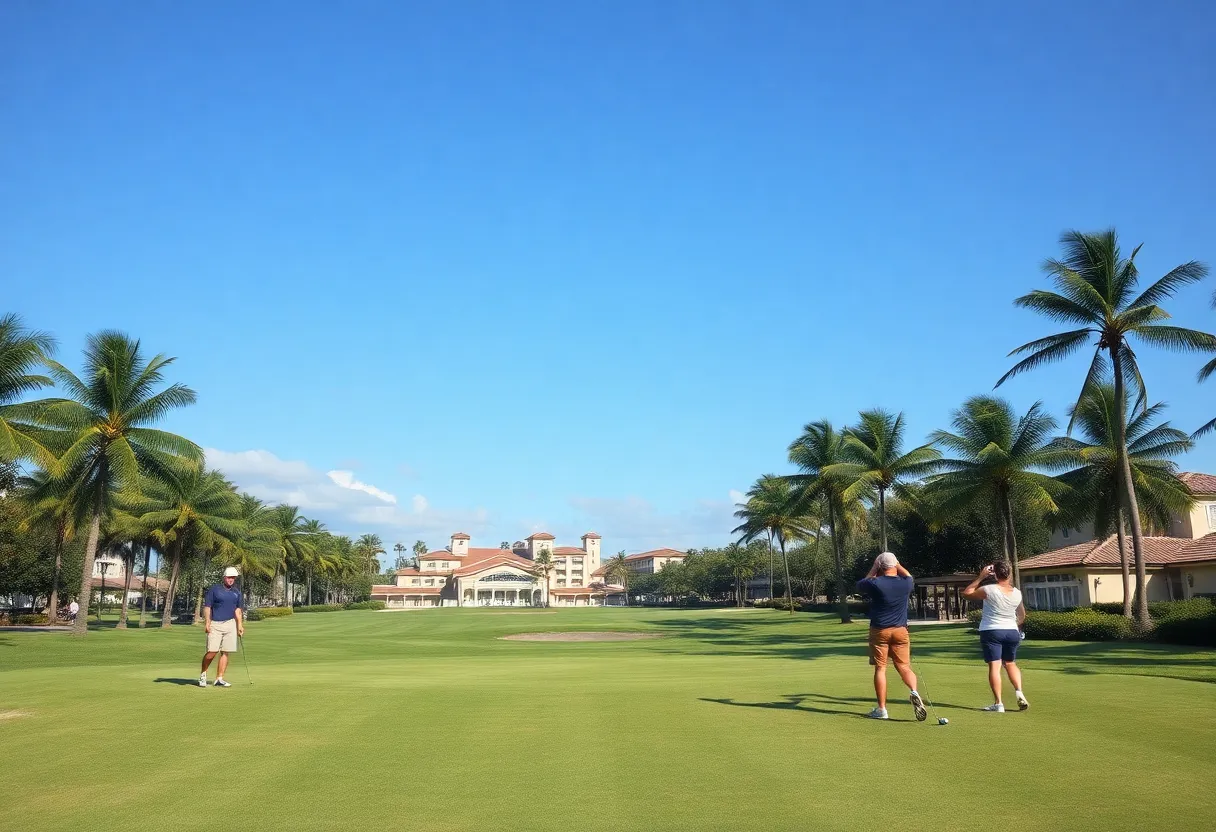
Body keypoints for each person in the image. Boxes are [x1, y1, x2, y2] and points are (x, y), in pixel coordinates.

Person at [855, 552, 926, 721]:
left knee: (881, 668)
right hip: (900, 631)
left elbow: (860, 585)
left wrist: (875, 566)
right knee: (904, 667)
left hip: (880, 630)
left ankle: (882, 710)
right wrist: (897, 563)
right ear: (895, 565)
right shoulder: (906, 583)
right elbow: (907, 574)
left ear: (880, 566)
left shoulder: (875, 583)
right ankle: (914, 691)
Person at [962, 562, 1029, 712]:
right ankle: (1019, 692)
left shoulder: (989, 589)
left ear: (995, 574)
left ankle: (998, 703)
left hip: (992, 630)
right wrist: (1014, 623)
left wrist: (981, 577)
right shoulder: (1017, 592)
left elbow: (967, 593)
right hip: (1012, 631)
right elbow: (1022, 614)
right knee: (1010, 663)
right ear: (1009, 574)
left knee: (995, 665)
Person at [200, 566, 245, 688]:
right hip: (215, 623)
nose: (231, 580)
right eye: (229, 577)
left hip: (230, 624)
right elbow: (208, 607)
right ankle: (203, 674)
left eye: (233, 578)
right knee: (212, 652)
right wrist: (207, 623)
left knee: (226, 652)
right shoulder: (215, 589)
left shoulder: (236, 592)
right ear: (224, 577)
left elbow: (238, 610)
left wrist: (239, 625)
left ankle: (219, 678)